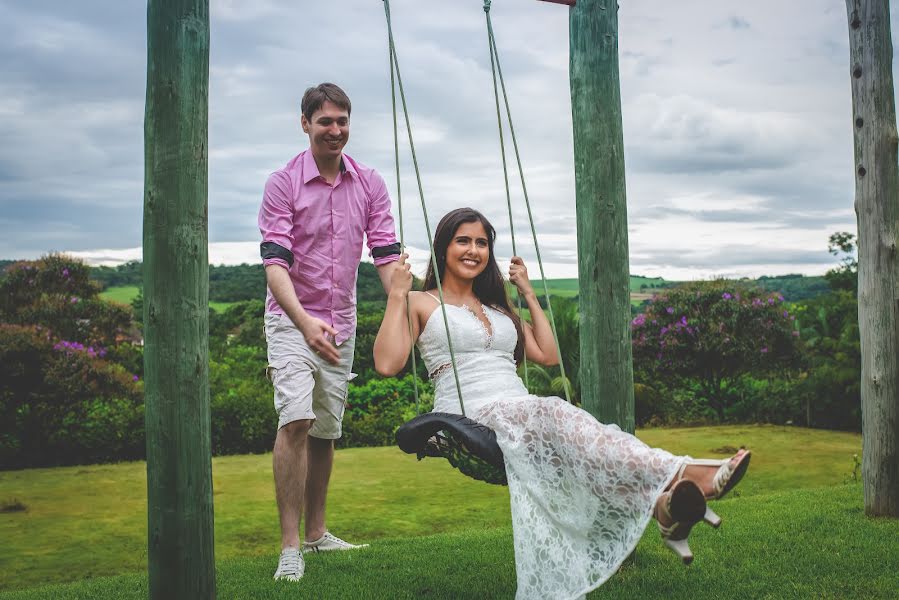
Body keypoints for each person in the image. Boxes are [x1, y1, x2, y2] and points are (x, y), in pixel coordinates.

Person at [373, 208, 750, 600]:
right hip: (470, 414)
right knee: (554, 411)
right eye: (463, 241)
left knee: (591, 444)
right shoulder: (420, 301)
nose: (473, 250)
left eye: (482, 243)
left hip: (519, 409)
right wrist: (397, 293)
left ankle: (663, 507)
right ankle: (686, 471)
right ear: (443, 247)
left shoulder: (499, 307)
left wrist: (529, 294)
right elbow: (387, 363)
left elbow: (546, 354)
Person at [259, 83, 401, 582]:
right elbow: (275, 266)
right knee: (295, 419)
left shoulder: (370, 183)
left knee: (324, 432)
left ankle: (317, 535)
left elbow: (385, 256)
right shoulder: (283, 183)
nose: (335, 130)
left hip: (341, 324)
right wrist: (304, 323)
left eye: (342, 121)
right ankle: (290, 547)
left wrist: (406, 304)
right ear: (305, 124)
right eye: (325, 121)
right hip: (291, 317)